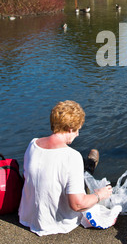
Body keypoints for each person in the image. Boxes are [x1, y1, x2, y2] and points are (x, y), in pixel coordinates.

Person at [19, 100, 112, 236]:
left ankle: (89, 167)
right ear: (70, 129)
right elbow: (77, 205)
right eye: (78, 130)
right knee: (89, 190)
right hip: (55, 223)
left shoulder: (33, 144)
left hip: (27, 217)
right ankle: (89, 167)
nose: (78, 134)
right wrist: (100, 195)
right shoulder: (72, 156)